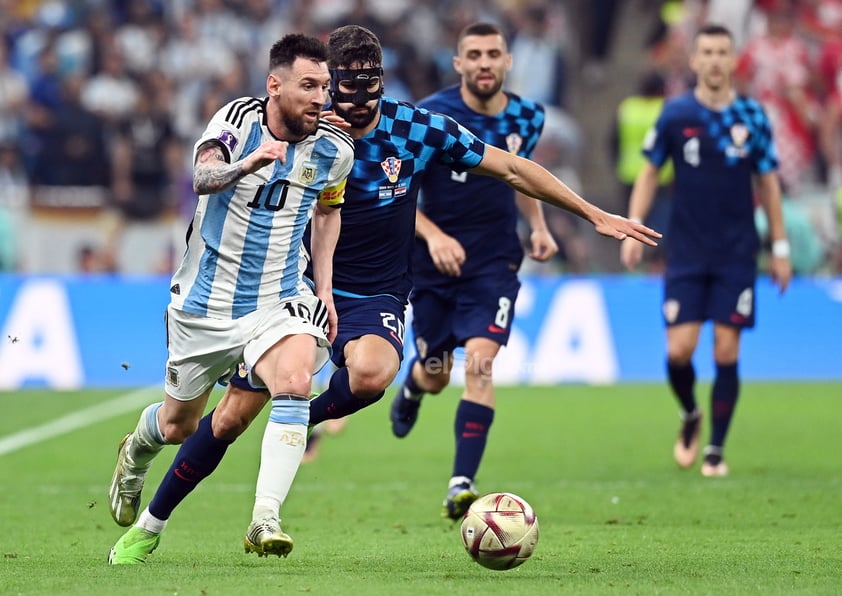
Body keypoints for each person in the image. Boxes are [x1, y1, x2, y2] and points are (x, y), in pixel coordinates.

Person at [107, 24, 660, 565]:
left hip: (374, 292)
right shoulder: (309, 130)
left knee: (371, 375)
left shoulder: (416, 129)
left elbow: (511, 168)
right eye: (340, 83)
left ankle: (291, 439)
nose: (352, 96)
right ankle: (151, 525)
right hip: (293, 288)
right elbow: (274, 186)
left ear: (381, 79)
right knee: (225, 422)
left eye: (367, 81)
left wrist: (594, 214)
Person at [106, 33, 355, 563]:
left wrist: (326, 289)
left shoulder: (336, 149)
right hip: (205, 304)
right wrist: (248, 164)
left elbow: (330, 211)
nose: (320, 98)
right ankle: (135, 451)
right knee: (179, 426)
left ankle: (265, 518)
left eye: (325, 87)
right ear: (275, 85)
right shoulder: (237, 120)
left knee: (294, 382)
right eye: (308, 86)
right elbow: (201, 176)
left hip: (281, 297)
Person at [387, 22, 556, 520]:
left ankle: (461, 483)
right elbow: (401, 193)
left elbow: (520, 175)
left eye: (493, 54)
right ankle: (415, 386)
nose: (484, 63)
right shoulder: (431, 116)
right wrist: (434, 236)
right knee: (438, 374)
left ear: (508, 62)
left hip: (494, 260)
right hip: (434, 262)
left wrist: (540, 227)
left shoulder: (528, 115)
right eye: (474, 54)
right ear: (458, 63)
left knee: (480, 364)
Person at [620, 23, 792, 477]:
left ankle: (715, 449)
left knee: (726, 351)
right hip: (687, 251)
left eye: (722, 51)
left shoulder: (752, 117)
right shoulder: (676, 114)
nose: (715, 60)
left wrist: (780, 245)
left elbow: (769, 182)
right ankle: (691, 414)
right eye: (707, 52)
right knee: (679, 351)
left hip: (737, 252)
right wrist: (634, 225)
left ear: (733, 60)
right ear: (693, 61)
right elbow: (650, 171)